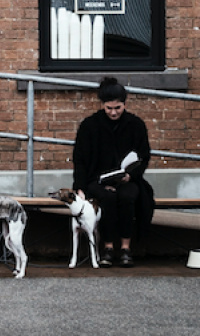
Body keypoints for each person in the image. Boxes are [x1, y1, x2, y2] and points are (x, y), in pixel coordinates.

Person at [72, 77, 154, 267]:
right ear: (102, 105)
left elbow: (144, 155)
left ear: (125, 104)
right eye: (109, 108)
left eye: (117, 108)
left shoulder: (135, 124)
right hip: (97, 180)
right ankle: (108, 247)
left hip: (128, 180)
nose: (113, 112)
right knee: (106, 199)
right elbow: (80, 158)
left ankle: (125, 247)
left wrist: (131, 175)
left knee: (128, 197)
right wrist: (80, 186)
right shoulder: (90, 125)